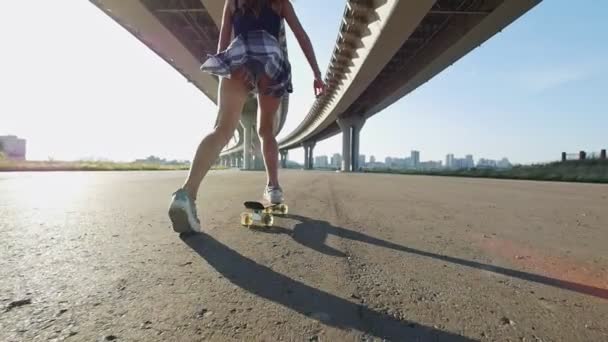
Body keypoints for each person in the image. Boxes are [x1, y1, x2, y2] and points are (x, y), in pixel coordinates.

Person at [168, 0, 325, 233]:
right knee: (266, 131)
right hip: (272, 56)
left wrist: (230, 67)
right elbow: (301, 35)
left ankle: (186, 194)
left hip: (240, 53)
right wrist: (316, 73)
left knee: (222, 130)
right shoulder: (280, 2)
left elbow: (223, 44)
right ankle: (273, 187)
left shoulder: (232, 1)